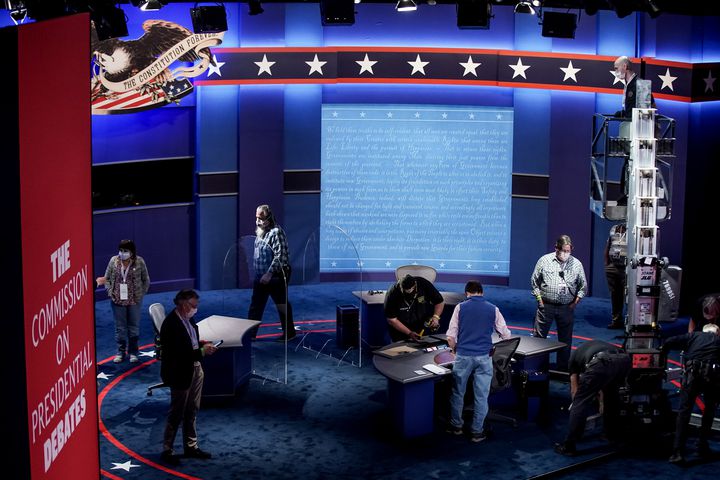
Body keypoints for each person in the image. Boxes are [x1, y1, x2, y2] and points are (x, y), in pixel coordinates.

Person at [446, 280, 512, 442]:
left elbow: (450, 336)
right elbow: (506, 335)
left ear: (467, 293)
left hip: (463, 356)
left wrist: (455, 349)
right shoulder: (493, 309)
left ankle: (457, 426)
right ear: (482, 292)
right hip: (484, 358)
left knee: (458, 392)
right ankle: (477, 432)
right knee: (481, 396)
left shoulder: (460, 307)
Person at [160, 289, 218, 465]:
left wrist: (201, 344)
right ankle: (167, 449)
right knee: (177, 412)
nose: (196, 309)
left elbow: (190, 341)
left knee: (192, 409)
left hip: (195, 369)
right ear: (184, 304)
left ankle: (191, 447)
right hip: (180, 373)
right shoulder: (171, 325)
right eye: (194, 305)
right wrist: (202, 351)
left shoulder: (187, 318)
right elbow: (179, 354)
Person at [554, 340, 631, 456]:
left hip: (602, 362)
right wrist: (601, 402)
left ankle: (569, 446)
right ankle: (612, 435)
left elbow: (575, 390)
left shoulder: (573, 362)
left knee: (581, 401)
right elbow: (604, 381)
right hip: (624, 361)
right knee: (612, 396)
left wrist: (575, 407)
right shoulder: (589, 349)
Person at [662, 323, 720, 464]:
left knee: (684, 411)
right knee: (709, 410)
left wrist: (663, 355)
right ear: (717, 333)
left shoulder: (693, 336)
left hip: (692, 375)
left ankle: (677, 452)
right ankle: (702, 445)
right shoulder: (718, 340)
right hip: (712, 376)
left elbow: (669, 341)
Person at [531, 235, 587, 371]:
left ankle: (562, 368)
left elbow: (583, 286)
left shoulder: (576, 264)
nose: (566, 254)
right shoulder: (544, 261)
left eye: (569, 251)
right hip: (546, 306)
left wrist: (575, 303)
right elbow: (534, 282)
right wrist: (540, 300)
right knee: (539, 339)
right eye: (563, 250)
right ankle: (538, 367)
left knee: (565, 340)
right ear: (556, 248)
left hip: (566, 307)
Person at [96, 239, 150, 363]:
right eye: (120, 250)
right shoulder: (113, 261)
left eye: (125, 251)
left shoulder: (139, 261)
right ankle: (120, 352)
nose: (122, 253)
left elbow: (145, 280)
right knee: (120, 328)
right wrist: (110, 292)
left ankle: (133, 352)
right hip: (117, 300)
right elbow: (107, 278)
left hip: (134, 301)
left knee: (133, 327)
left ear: (131, 252)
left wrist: (141, 295)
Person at [248, 204, 296, 341]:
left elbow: (281, 256)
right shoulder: (260, 231)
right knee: (256, 306)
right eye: (256, 218)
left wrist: (269, 274)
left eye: (261, 218)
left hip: (276, 276)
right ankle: (250, 335)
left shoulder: (276, 232)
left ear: (269, 218)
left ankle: (289, 333)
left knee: (281, 304)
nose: (258, 221)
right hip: (260, 276)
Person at [384, 273, 444, 342]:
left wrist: (436, 317)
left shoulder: (423, 284)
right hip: (400, 329)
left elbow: (439, 302)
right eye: (406, 292)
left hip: (422, 325)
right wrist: (409, 333)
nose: (409, 293)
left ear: (415, 285)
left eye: (411, 291)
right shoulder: (392, 293)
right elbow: (392, 320)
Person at [604, 223, 628, 329]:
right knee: (615, 295)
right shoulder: (613, 228)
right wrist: (607, 264)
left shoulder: (632, 230)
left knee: (628, 295)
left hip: (626, 268)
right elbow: (608, 245)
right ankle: (616, 320)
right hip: (612, 267)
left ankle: (631, 322)